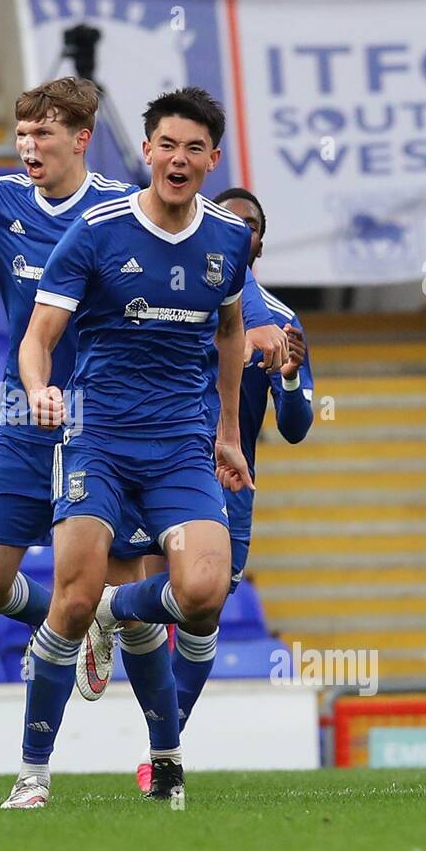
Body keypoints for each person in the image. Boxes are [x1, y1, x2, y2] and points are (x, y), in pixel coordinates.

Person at [0, 87, 287, 808]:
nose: (179, 159)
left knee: (204, 594)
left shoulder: (226, 238)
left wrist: (228, 432)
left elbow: (228, 334)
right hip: (96, 437)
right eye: (166, 145)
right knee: (67, 597)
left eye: (195, 148)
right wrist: (39, 387)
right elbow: (39, 337)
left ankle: (120, 619)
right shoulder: (97, 232)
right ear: (147, 153)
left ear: (212, 159)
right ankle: (34, 773)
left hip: (180, 448)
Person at [78, 187, 316, 792]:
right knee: (158, 589)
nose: (238, 230)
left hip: (230, 481)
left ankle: (109, 615)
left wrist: (288, 378)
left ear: (258, 240)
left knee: (202, 608)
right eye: (228, 219)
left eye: (251, 224)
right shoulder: (177, 291)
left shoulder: (282, 320)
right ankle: (162, 755)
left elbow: (295, 428)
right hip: (160, 460)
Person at [0, 77, 135, 629]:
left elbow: (204, 252)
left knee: (126, 600)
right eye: (21, 133)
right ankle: (67, 622)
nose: (27, 146)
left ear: (81, 139)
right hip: (26, 414)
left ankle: (142, 691)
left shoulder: (122, 209)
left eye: (42, 133)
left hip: (108, 419)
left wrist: (260, 317)